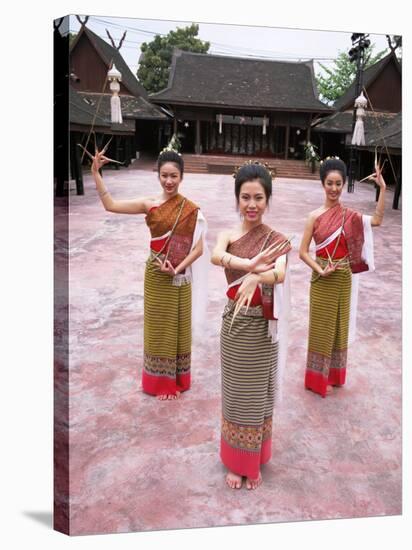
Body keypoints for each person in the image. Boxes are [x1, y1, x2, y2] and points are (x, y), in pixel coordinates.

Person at [91, 145, 209, 401]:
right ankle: (161, 383)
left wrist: (177, 268)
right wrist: (96, 173)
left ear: (182, 177)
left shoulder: (191, 209)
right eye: (164, 175)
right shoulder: (149, 204)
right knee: (159, 328)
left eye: (174, 176)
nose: (169, 181)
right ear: (158, 175)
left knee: (178, 327)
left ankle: (178, 379)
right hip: (156, 275)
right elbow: (110, 205)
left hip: (179, 276)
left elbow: (199, 248)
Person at [211, 161, 292, 490]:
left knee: (258, 396)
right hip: (235, 326)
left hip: (262, 329)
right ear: (237, 199)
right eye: (245, 197)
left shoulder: (276, 239)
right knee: (234, 395)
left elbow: (281, 272)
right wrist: (247, 264)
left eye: (258, 198)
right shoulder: (228, 235)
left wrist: (258, 276)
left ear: (268, 199)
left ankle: (253, 459)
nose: (252, 205)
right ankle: (235, 462)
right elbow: (217, 256)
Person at [299, 157, 386, 398]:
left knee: (339, 327)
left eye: (339, 183)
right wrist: (319, 268)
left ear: (344, 183)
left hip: (344, 277)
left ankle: (334, 376)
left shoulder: (350, 216)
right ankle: (316, 379)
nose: (334, 189)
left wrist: (383, 189)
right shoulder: (314, 217)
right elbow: (303, 252)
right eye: (330, 183)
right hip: (322, 278)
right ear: (322, 184)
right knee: (320, 328)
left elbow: (377, 220)